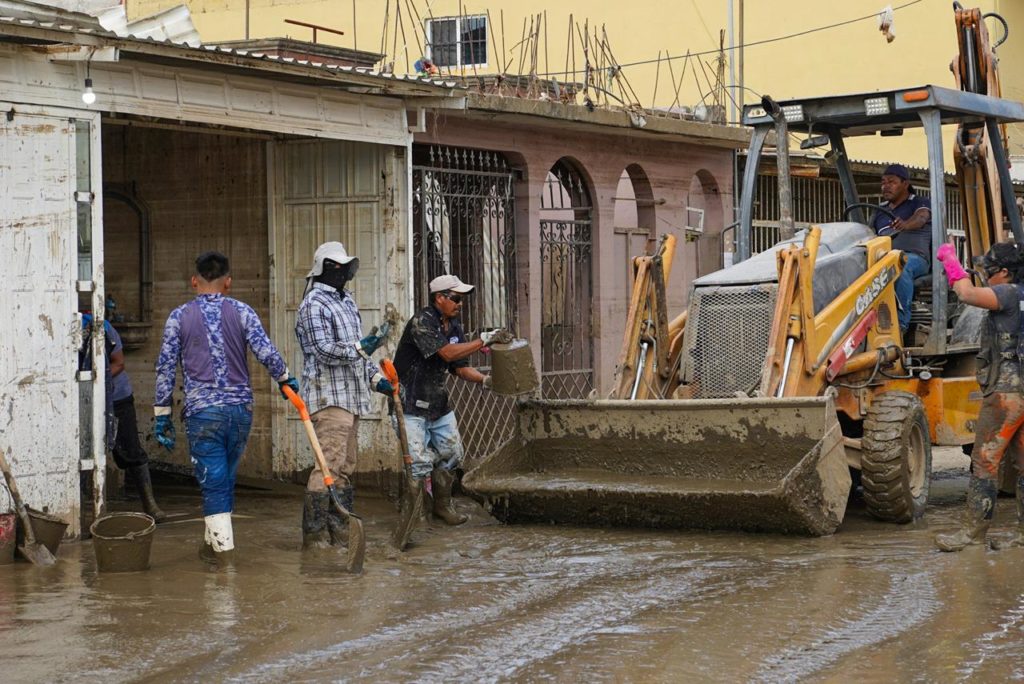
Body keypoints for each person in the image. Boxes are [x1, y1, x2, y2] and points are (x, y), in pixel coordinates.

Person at [153, 251, 298, 566]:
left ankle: (225, 566)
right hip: (240, 412)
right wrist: (286, 380)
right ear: (228, 282)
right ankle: (211, 548)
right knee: (224, 479)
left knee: (214, 481)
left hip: (203, 413)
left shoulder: (178, 317)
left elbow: (165, 368)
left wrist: (161, 415)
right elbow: (266, 352)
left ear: (194, 281)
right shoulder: (243, 312)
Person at [392, 274, 513, 533]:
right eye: (456, 298)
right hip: (410, 403)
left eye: (461, 299)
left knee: (452, 455)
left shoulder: (454, 325)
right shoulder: (421, 322)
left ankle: (442, 506)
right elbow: (446, 352)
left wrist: (487, 381)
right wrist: (484, 340)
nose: (460, 304)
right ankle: (416, 513)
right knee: (418, 463)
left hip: (437, 403)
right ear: (439, 298)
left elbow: (458, 368)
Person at [294, 241, 393, 549]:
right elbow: (325, 351)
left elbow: (356, 355)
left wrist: (376, 379)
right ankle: (315, 536)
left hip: (351, 397)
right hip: (328, 398)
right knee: (328, 467)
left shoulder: (346, 301)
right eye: (338, 267)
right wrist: (364, 346)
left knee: (345, 466)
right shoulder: (313, 304)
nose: (344, 273)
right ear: (325, 269)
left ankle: (339, 529)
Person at [935, 241, 1024, 551]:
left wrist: (950, 262)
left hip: (1007, 393)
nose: (984, 274)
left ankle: (972, 535)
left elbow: (967, 294)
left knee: (985, 461)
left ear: (1004, 272)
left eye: (988, 269)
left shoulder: (1008, 293)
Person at [79, 314, 166, 521]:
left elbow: (118, 363)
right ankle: (81, 509)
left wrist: (94, 380)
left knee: (130, 449)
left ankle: (150, 504)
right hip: (80, 399)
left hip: (116, 395)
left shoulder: (101, 327)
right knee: (81, 453)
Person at [871, 163, 932, 334]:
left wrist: (905, 224)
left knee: (899, 266)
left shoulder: (919, 202)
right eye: (883, 182)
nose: (886, 186)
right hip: (884, 258)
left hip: (914, 258)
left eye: (891, 182)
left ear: (905, 184)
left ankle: (900, 325)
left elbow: (921, 218)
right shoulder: (879, 211)